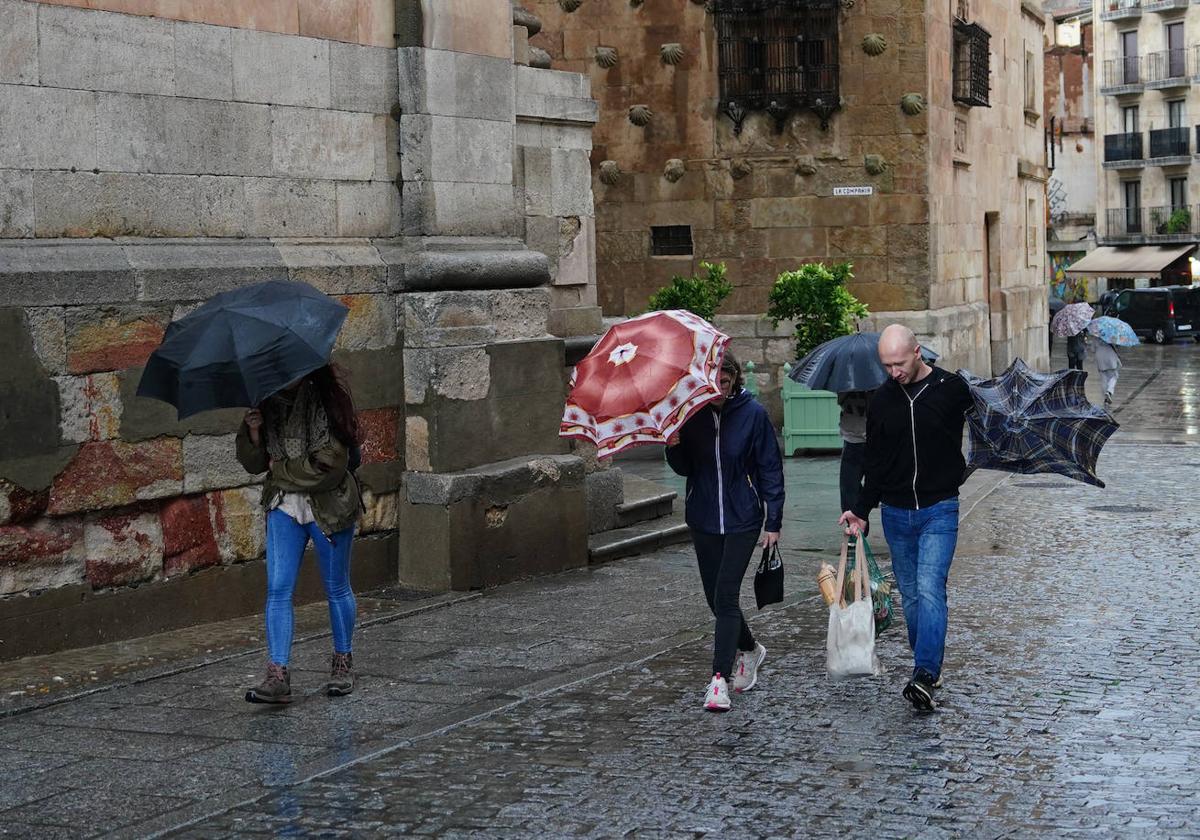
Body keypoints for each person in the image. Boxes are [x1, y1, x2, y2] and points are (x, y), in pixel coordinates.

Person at [838, 325, 973, 712]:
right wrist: (861, 510)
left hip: (939, 508)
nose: (893, 372)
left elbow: (985, 426)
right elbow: (874, 461)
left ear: (918, 353)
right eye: (886, 366)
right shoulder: (881, 401)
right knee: (911, 593)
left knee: (931, 587)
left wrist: (962, 467)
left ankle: (925, 673)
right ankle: (926, 661)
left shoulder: (952, 389)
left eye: (899, 363)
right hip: (896, 513)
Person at [236, 364, 364, 704]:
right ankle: (277, 674)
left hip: (330, 505)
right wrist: (254, 434)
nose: (284, 374)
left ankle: (342, 662)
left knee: (336, 586)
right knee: (278, 588)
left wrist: (281, 470)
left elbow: (329, 465)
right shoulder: (266, 403)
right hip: (284, 505)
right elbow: (252, 462)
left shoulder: (328, 400)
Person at [666, 351, 785, 713]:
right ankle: (750, 649)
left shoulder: (754, 415)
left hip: (743, 518)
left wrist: (773, 521)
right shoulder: (691, 415)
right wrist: (672, 447)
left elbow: (769, 468)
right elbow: (686, 467)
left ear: (734, 379)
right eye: (714, 379)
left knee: (727, 594)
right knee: (714, 598)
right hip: (703, 517)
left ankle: (718, 680)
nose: (720, 386)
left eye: (726, 379)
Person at [837, 390, 872, 537]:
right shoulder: (844, 381)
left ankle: (859, 522)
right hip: (852, 439)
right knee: (848, 487)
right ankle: (855, 525)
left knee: (876, 485)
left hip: (875, 439)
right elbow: (841, 401)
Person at [1094, 338, 1121, 406]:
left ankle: (1106, 398)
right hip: (1110, 358)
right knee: (1114, 376)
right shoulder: (1113, 336)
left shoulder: (1096, 337)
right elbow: (1117, 346)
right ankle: (1109, 391)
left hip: (1100, 358)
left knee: (1103, 379)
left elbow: (1092, 349)